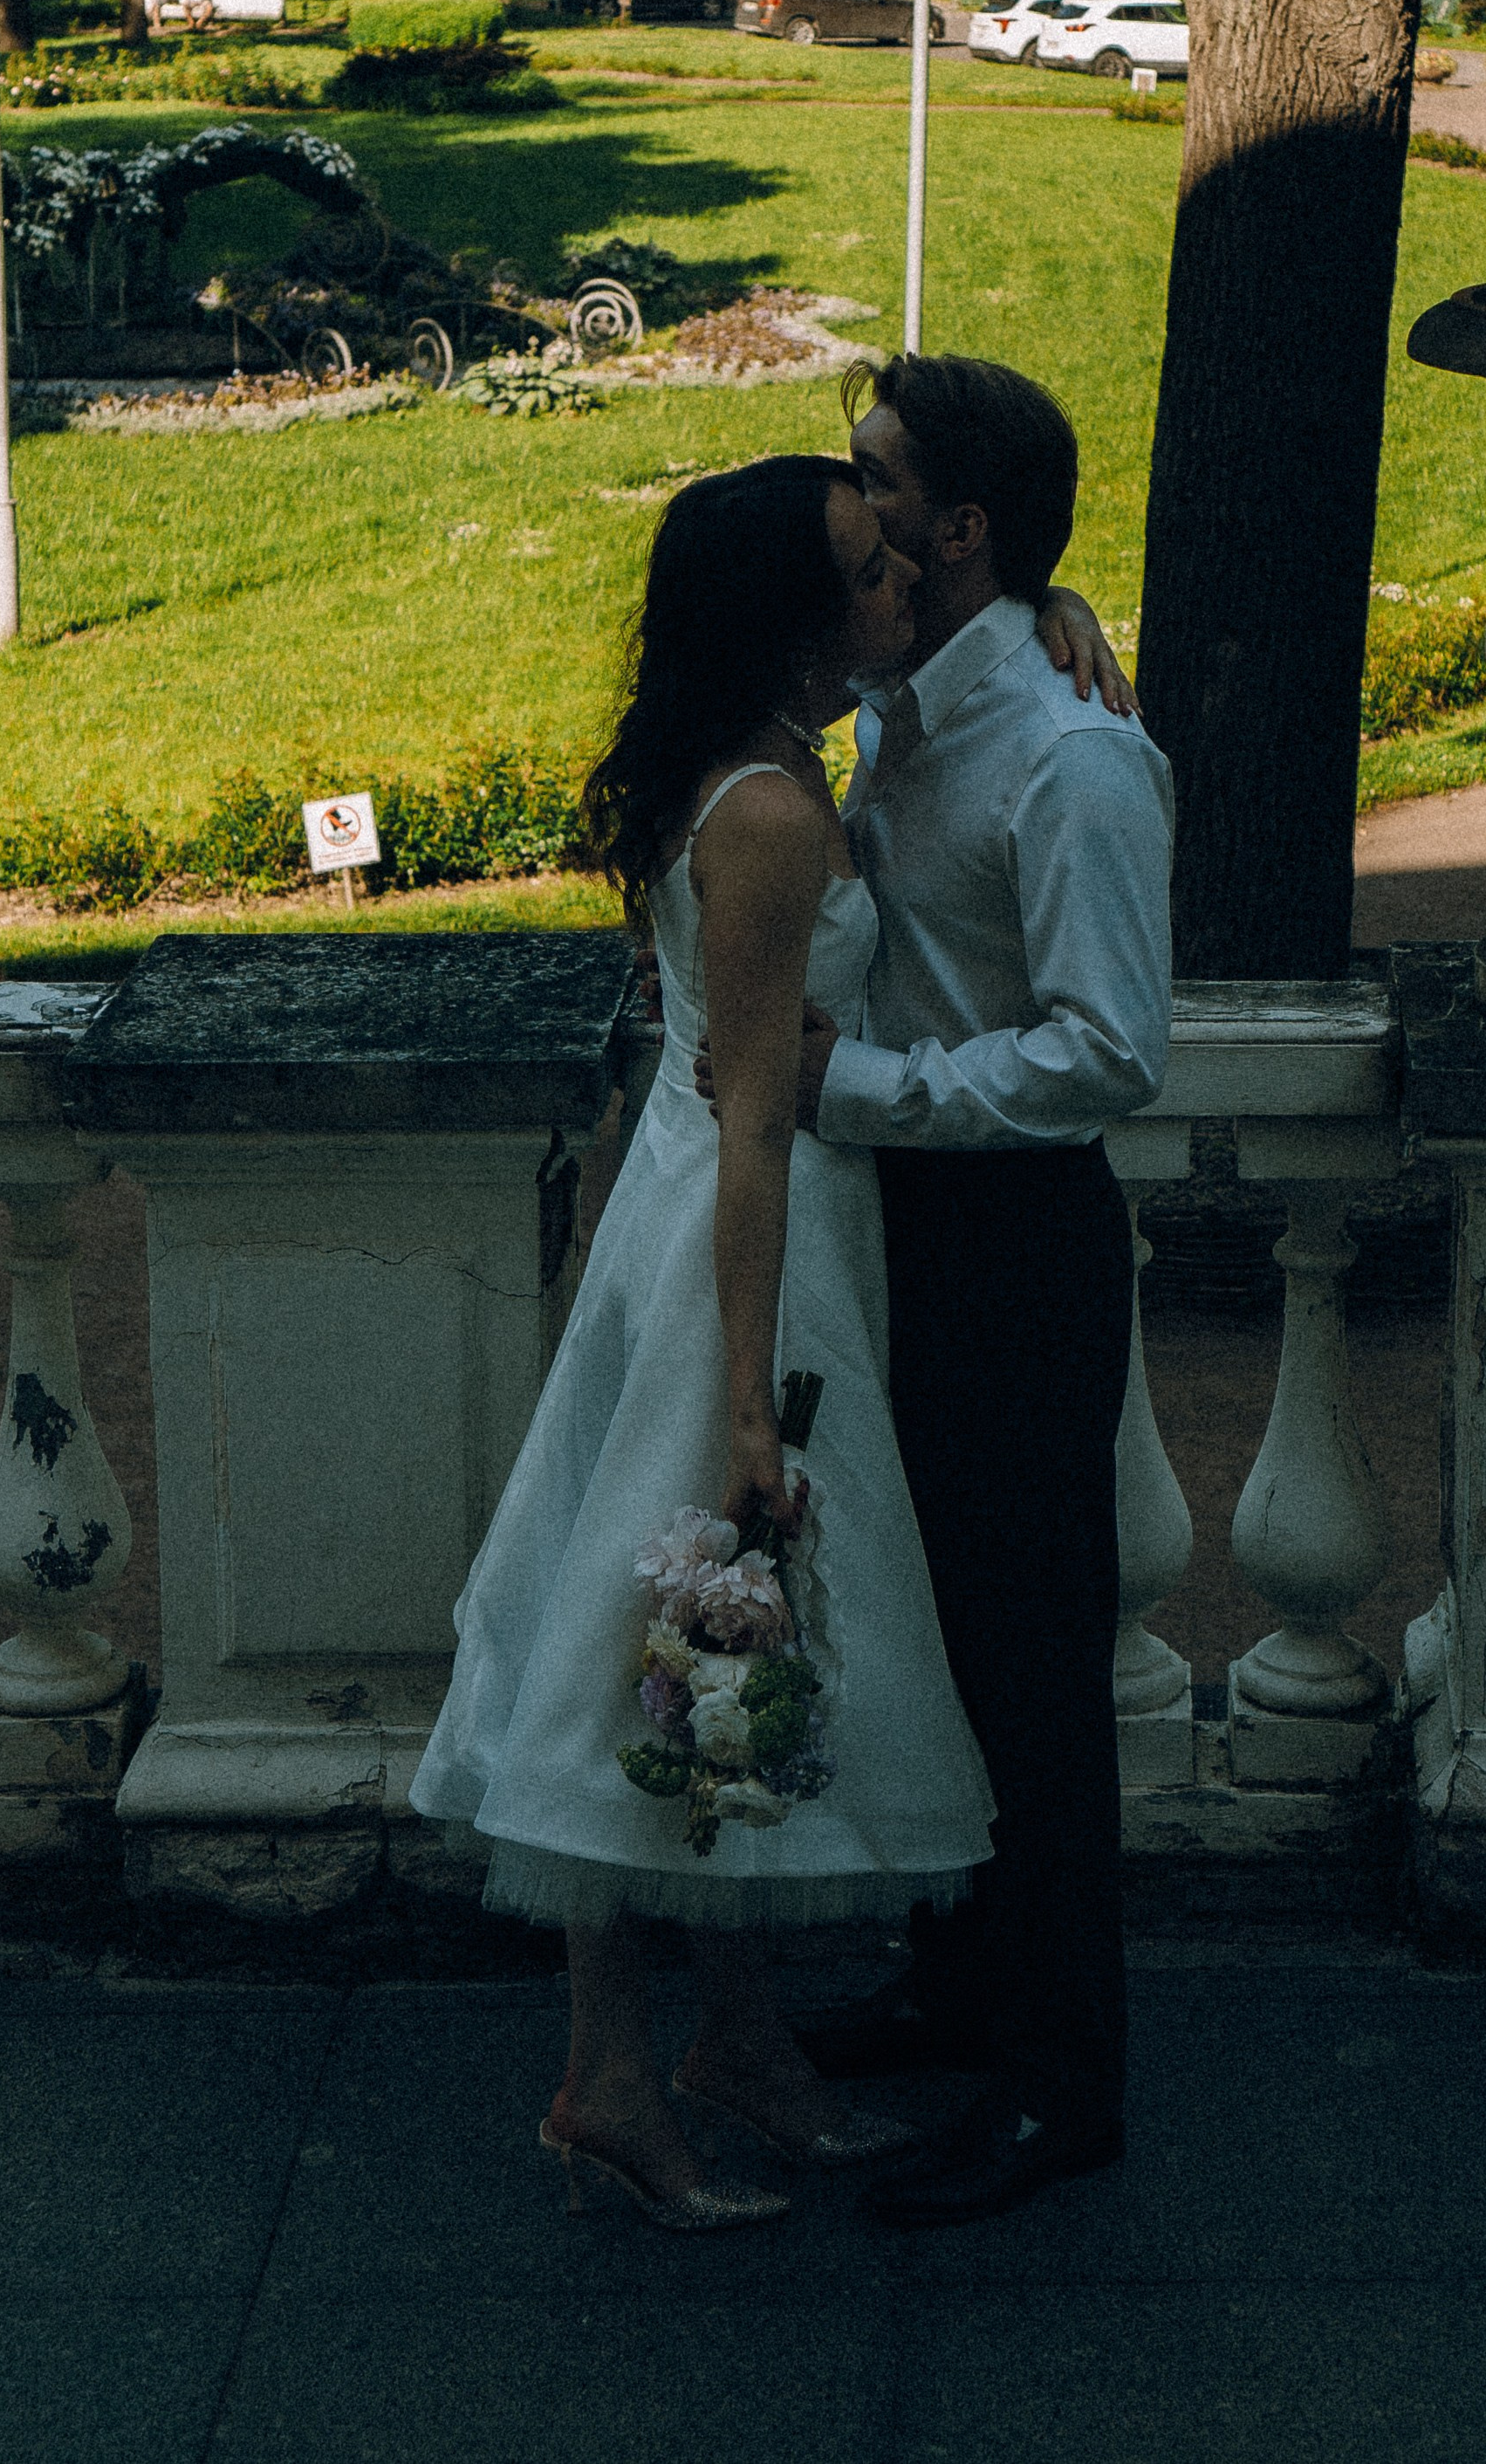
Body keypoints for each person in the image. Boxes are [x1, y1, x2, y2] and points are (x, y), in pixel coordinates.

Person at [412, 455, 996, 2232]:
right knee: (664, 1637)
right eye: (865, 569)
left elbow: (673, 1068)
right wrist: (746, 1394)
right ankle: (605, 2073)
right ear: (786, 618)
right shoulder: (763, 813)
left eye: (897, 554)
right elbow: (754, 1114)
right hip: (751, 1243)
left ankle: (732, 2043)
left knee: (700, 1647)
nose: (899, 580)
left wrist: (1043, 612)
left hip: (694, 1221)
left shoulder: (755, 766)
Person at [788, 353, 1175, 2227]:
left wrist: (850, 1095)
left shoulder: (1072, 761)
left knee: (1028, 1670)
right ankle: (953, 1985)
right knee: (917, 1631)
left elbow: (1109, 1053)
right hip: (892, 1232)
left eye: (872, 475)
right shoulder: (903, 710)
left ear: (959, 532)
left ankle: (1059, 2079)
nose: (841, 495)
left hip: (1011, 1244)